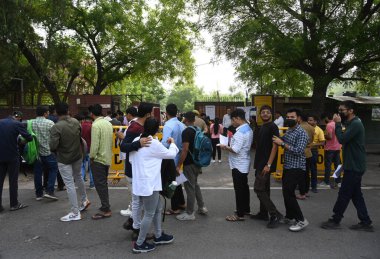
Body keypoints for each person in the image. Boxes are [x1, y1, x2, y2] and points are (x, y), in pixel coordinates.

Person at [321, 100, 373, 232]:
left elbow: (342, 139)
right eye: (339, 110)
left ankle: (335, 219)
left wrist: (337, 124)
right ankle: (365, 221)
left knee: (344, 193)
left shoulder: (356, 124)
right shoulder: (351, 123)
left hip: (355, 166)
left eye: (342, 110)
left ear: (351, 111)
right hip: (352, 164)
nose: (339, 113)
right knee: (356, 195)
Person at [130, 118, 178, 253]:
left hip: (142, 182)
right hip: (149, 183)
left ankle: (158, 235)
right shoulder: (154, 143)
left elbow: (131, 160)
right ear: (157, 129)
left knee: (157, 209)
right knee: (149, 213)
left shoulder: (136, 141)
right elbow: (171, 154)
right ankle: (139, 244)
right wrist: (173, 143)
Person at [50, 103, 90, 222]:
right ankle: (84, 200)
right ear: (68, 110)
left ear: (56, 112)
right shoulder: (76, 122)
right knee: (78, 177)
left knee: (69, 184)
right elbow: (79, 137)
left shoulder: (56, 127)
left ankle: (75, 212)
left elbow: (53, 146)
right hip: (77, 155)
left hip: (64, 158)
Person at [117, 103, 153, 233]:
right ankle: (136, 230)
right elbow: (124, 146)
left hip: (137, 169)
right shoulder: (135, 128)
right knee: (138, 201)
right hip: (133, 170)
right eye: (152, 113)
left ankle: (132, 221)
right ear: (148, 114)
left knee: (138, 200)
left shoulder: (139, 125)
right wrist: (138, 143)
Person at [272, 108, 309, 232]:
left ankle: (301, 220)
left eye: (292, 117)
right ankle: (290, 216)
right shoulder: (290, 130)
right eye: (288, 117)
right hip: (288, 166)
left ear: (298, 118)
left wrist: (281, 143)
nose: (289, 119)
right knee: (286, 193)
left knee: (289, 194)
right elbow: (284, 139)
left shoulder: (302, 133)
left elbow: (298, 150)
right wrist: (278, 139)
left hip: (296, 167)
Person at [251, 105, 283, 228]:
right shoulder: (262, 127)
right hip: (260, 163)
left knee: (258, 189)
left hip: (266, 164)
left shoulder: (273, 127)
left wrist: (268, 164)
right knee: (265, 189)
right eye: (263, 112)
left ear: (272, 114)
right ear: (260, 115)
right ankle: (263, 213)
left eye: (267, 112)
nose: (265, 114)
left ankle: (275, 214)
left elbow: (275, 146)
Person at [220, 109, 253, 222]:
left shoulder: (240, 132)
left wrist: (224, 146)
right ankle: (245, 209)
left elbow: (235, 149)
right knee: (244, 187)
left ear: (238, 118)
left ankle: (240, 214)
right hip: (244, 162)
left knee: (239, 189)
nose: (232, 123)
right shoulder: (248, 128)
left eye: (233, 120)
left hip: (238, 164)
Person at [176, 111, 208, 221]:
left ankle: (190, 213)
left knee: (189, 187)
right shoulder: (197, 130)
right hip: (198, 162)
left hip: (189, 163)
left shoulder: (186, 132)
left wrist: (179, 164)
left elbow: (185, 150)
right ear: (194, 119)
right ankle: (202, 207)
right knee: (195, 184)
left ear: (185, 119)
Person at [0, 113, 32, 212]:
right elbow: (29, 137)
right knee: (13, 181)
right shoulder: (16, 124)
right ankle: (14, 204)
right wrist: (21, 142)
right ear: (18, 118)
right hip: (12, 156)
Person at [89, 104, 113, 220]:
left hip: (98, 159)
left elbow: (94, 146)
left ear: (91, 114)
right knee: (103, 184)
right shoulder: (108, 123)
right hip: (107, 158)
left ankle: (105, 208)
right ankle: (105, 206)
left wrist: (91, 157)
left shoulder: (95, 125)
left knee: (100, 185)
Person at [161, 104, 186, 215]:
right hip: (181, 155)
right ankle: (181, 203)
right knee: (178, 180)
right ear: (176, 112)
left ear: (166, 113)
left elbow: (165, 143)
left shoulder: (168, 125)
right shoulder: (182, 125)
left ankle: (175, 207)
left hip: (171, 156)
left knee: (172, 182)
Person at [32, 106, 59, 200]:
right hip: (48, 151)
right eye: (47, 112)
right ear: (44, 113)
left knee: (38, 173)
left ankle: (38, 194)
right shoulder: (50, 123)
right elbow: (55, 136)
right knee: (53, 169)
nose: (48, 114)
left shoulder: (32, 123)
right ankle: (50, 191)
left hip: (36, 153)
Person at [321, 112, 342, 188]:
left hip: (329, 148)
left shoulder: (329, 125)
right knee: (338, 165)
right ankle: (338, 181)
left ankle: (326, 181)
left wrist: (323, 135)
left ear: (326, 118)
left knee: (328, 166)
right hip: (337, 147)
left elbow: (329, 137)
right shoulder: (337, 124)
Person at [297, 113, 314, 198]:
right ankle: (306, 191)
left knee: (301, 174)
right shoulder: (311, 127)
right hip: (309, 152)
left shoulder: (298, 127)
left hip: (300, 153)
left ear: (299, 118)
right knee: (307, 173)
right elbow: (312, 140)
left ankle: (302, 193)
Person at [307, 115, 326, 192]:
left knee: (313, 170)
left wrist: (312, 145)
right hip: (305, 151)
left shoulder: (319, 130)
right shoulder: (305, 128)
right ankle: (304, 185)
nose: (309, 122)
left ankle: (314, 186)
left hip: (313, 151)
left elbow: (323, 142)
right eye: (308, 120)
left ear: (315, 121)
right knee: (304, 169)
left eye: (311, 120)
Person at [81, 112, 94, 189]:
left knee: (82, 166)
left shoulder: (80, 126)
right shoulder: (92, 127)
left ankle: (82, 183)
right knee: (91, 167)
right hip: (90, 149)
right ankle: (92, 183)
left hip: (82, 149)